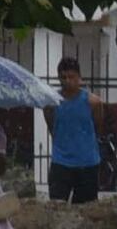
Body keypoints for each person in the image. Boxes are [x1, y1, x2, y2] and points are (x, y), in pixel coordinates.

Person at [44, 62, 107, 204]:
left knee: (86, 208)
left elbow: (97, 126)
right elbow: (52, 126)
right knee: (57, 206)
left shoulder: (93, 102)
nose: (67, 81)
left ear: (79, 77)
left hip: (87, 163)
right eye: (63, 77)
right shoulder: (52, 103)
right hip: (61, 162)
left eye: (71, 77)